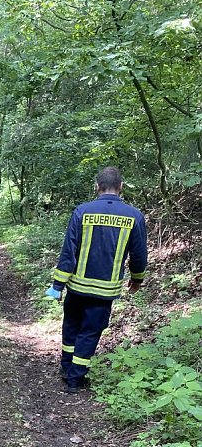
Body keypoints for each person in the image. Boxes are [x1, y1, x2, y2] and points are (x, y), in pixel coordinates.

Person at [45, 166, 148, 393]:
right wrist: (137, 279)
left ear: (97, 187)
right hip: (104, 291)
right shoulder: (134, 216)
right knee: (90, 332)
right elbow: (139, 254)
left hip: (77, 287)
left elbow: (68, 251)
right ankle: (75, 379)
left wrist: (58, 285)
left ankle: (66, 368)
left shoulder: (82, 212)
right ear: (121, 187)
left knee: (71, 326)